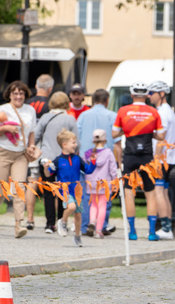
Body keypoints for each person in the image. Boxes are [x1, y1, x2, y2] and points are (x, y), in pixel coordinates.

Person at [0, 80, 39, 239]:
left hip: (20, 155)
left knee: (19, 188)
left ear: (25, 95)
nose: (18, 96)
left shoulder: (30, 110)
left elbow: (31, 132)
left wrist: (31, 146)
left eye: (21, 93)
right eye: (15, 93)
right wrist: (5, 128)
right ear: (9, 94)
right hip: (1, 153)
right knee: (0, 189)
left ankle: (18, 224)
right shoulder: (1, 110)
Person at [112, 82, 165, 241]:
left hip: (130, 156)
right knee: (150, 194)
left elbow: (114, 133)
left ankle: (132, 232)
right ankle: (151, 232)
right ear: (146, 95)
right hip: (147, 157)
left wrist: (127, 131)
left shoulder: (123, 111)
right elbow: (161, 136)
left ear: (132, 95)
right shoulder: (153, 111)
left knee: (129, 194)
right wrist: (149, 133)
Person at [34, 92, 79, 233]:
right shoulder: (70, 119)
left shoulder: (45, 117)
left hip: (46, 158)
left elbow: (35, 136)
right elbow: (76, 140)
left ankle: (49, 224)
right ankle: (61, 220)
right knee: (62, 190)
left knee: (48, 192)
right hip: (63, 160)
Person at [43, 129, 94, 247]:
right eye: (73, 142)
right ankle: (63, 221)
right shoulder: (58, 160)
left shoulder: (77, 159)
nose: (76, 145)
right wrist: (46, 168)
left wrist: (93, 161)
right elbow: (48, 174)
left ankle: (77, 237)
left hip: (77, 190)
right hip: (64, 190)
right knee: (71, 206)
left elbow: (88, 170)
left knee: (78, 215)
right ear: (64, 145)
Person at [77, 88, 118, 236]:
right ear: (107, 101)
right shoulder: (112, 116)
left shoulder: (83, 115)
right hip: (106, 162)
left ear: (93, 100)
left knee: (86, 197)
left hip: (86, 161)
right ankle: (102, 226)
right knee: (104, 198)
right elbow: (118, 142)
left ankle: (85, 226)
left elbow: (77, 139)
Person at [24, 74, 56, 229]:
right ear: (50, 89)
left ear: (36, 86)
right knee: (51, 184)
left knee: (32, 181)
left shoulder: (28, 103)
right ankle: (51, 221)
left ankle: (29, 219)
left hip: (31, 145)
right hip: (46, 147)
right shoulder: (51, 104)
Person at [148, 80, 175, 240]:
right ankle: (167, 227)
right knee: (164, 192)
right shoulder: (168, 111)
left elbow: (161, 138)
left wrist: (156, 159)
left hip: (162, 158)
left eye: (151, 93)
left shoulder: (162, 112)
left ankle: (166, 228)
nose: (149, 96)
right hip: (169, 158)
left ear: (161, 94)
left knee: (158, 192)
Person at [84, 129, 119, 239]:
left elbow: (86, 167)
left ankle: (92, 221)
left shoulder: (88, 153)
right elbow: (113, 169)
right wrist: (115, 181)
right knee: (102, 206)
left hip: (92, 182)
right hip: (104, 183)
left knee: (93, 203)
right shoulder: (108, 153)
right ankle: (98, 230)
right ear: (105, 140)